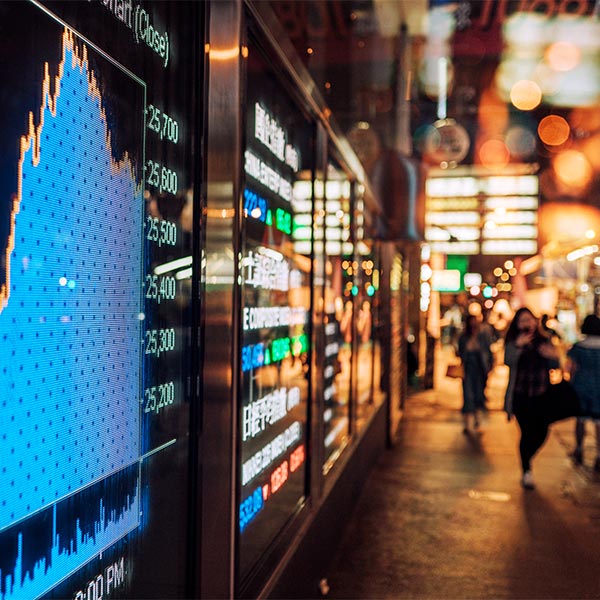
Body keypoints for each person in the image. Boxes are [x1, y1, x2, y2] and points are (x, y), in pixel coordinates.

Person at [503, 307, 560, 489]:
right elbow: (507, 361)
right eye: (522, 321)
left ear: (535, 321)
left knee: (542, 432)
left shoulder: (545, 340)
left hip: (542, 394)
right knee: (526, 433)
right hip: (521, 396)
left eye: (529, 319)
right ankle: (526, 470)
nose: (527, 323)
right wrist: (518, 346)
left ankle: (527, 457)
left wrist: (553, 356)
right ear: (517, 324)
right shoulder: (514, 342)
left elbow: (555, 364)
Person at [566, 314, 600, 470]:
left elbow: (571, 367)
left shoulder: (578, 346)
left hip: (581, 386)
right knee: (598, 422)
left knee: (580, 420)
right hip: (598, 388)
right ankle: (599, 455)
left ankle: (579, 449)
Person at [457, 314, 489, 434]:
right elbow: (461, 352)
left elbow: (487, 351)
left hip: (479, 370)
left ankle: (476, 420)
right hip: (468, 369)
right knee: (468, 395)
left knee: (478, 395)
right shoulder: (464, 338)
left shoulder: (482, 336)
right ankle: (468, 423)